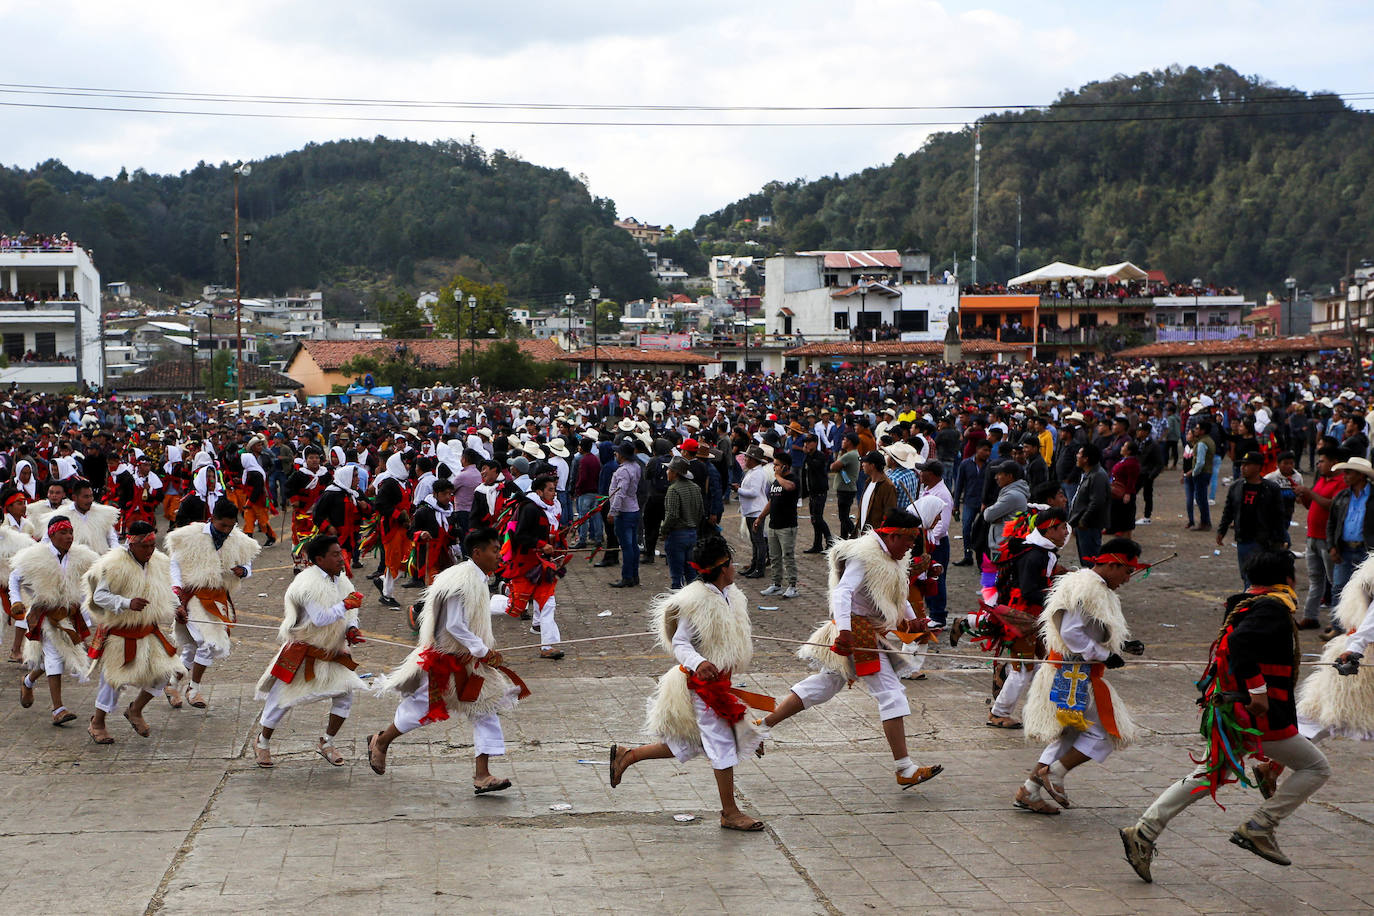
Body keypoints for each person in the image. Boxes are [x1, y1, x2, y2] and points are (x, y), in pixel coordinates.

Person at [1121, 549, 1329, 880]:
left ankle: (1143, 832)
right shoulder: (1272, 608)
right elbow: (1241, 646)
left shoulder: (1247, 605)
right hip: (1260, 714)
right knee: (1316, 767)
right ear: (1287, 579)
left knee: (1209, 774)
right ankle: (1261, 825)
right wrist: (1259, 692)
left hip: (1236, 710)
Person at [762, 508, 943, 789]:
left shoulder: (896, 556)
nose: (911, 546)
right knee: (891, 694)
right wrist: (845, 631)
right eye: (908, 540)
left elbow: (898, 591)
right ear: (893, 535)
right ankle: (904, 768)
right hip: (856, 633)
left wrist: (913, 622)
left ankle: (762, 726)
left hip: (866, 632)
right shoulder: (864, 554)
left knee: (826, 683)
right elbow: (842, 592)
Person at [609, 534, 768, 831]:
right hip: (703, 688)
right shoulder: (697, 603)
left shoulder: (729, 595)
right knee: (720, 745)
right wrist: (699, 662)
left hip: (720, 684)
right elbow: (680, 643)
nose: (735, 570)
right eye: (732, 564)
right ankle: (730, 812)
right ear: (724, 568)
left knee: (689, 744)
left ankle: (627, 755)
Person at [369, 527, 527, 791]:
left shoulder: (475, 578)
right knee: (422, 709)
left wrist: (504, 607)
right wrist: (483, 651)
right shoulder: (462, 581)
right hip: (447, 662)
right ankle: (382, 741)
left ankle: (482, 775)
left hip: (469, 663)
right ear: (477, 553)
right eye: (494, 550)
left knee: (485, 710)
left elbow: (472, 616)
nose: (499, 555)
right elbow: (455, 625)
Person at [1016, 539, 1146, 815]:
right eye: (1127, 571)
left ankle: (1028, 790)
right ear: (1113, 565)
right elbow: (1071, 633)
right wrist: (1102, 654)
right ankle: (1056, 772)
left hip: (1075, 673)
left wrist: (1121, 645)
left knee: (1069, 735)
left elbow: (1091, 630)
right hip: (1071, 675)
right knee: (1106, 732)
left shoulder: (1096, 587)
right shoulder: (1086, 587)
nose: (1127, 579)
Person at [253, 535, 367, 768]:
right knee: (280, 701)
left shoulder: (342, 580)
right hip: (303, 651)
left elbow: (350, 612)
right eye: (335, 555)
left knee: (345, 694)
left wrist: (352, 628)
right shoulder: (306, 584)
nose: (340, 558)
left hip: (331, 652)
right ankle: (262, 743)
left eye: (340, 553)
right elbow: (321, 618)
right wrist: (346, 605)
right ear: (319, 559)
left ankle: (327, 742)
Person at [84, 521, 184, 744]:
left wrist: (178, 608)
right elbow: (98, 597)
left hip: (148, 629)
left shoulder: (158, 561)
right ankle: (97, 723)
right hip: (121, 632)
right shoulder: (113, 564)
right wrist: (126, 603)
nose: (149, 551)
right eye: (144, 546)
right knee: (113, 681)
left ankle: (136, 710)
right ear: (132, 543)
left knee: (165, 673)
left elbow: (166, 588)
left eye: (151, 545)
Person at [166, 498, 261, 710]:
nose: (226, 530)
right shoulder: (189, 536)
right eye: (222, 526)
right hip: (192, 595)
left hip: (218, 598)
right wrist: (176, 592)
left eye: (231, 526)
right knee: (207, 641)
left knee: (192, 646)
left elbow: (247, 562)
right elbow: (175, 565)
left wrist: (243, 571)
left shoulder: (239, 540)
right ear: (212, 519)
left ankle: (172, 684)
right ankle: (194, 688)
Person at [12, 516, 100, 726]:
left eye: (71, 532)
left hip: (69, 614)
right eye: (63, 533)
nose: (69, 537)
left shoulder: (82, 557)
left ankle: (28, 681)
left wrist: (87, 620)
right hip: (44, 613)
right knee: (53, 656)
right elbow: (15, 577)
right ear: (51, 534)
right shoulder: (34, 557)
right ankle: (58, 709)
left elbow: (85, 590)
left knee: (55, 657)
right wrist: (16, 601)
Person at [505, 474, 565, 660]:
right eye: (550, 489)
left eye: (554, 489)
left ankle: (547, 646)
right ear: (539, 492)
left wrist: (552, 541)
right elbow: (520, 535)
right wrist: (541, 544)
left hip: (541, 566)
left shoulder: (546, 509)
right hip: (526, 565)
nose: (554, 493)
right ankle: (482, 604)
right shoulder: (530, 509)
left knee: (548, 603)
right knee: (514, 605)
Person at [1216, 451, 1286, 588]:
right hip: (1243, 538)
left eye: (1247, 465)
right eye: (1242, 465)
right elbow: (1228, 510)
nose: (1243, 468)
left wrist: (1280, 539)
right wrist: (1221, 530)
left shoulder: (1270, 489)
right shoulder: (1236, 487)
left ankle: (1250, 600)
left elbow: (1279, 516)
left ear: (1258, 467)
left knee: (1257, 576)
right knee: (1245, 574)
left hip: (1262, 540)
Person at [1296, 447, 1346, 633]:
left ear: (1333, 463)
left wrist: (1310, 494)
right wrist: (1305, 498)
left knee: (1335, 582)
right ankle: (1310, 616)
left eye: (1322, 461)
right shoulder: (1322, 480)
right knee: (1316, 579)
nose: (1319, 464)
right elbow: (1314, 504)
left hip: (1327, 540)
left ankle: (1336, 621)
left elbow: (1332, 505)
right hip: (1313, 537)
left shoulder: (1341, 482)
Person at [1326, 456, 1374, 609]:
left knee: (1366, 590)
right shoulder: (1342, 496)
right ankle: (1337, 626)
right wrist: (1332, 546)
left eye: (1348, 472)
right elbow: (1331, 523)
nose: (1344, 476)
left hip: (1367, 551)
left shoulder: (1372, 497)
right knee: (1339, 588)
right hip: (1344, 548)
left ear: (1360, 475)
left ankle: (1359, 627)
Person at [371, 453, 412, 609]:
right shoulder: (389, 483)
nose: (408, 466)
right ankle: (387, 594)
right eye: (404, 463)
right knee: (393, 560)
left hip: (404, 527)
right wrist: (398, 515)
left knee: (405, 560)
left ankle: (382, 581)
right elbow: (380, 505)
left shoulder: (405, 482)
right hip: (391, 527)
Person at [756, 453, 799, 599]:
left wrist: (778, 476)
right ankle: (776, 584)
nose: (774, 467)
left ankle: (792, 586)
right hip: (774, 525)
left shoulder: (792, 479)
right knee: (774, 557)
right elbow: (771, 501)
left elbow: (790, 487)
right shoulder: (776, 483)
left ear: (785, 466)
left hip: (787, 526)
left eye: (777, 465)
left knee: (788, 556)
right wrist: (761, 517)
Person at [916, 460, 953, 625]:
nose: (920, 474)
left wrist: (928, 541)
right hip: (928, 541)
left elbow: (942, 524)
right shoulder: (928, 490)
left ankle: (938, 616)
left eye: (922, 471)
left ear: (930, 474)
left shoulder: (942, 494)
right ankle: (932, 612)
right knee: (928, 577)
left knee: (937, 577)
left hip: (936, 544)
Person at [0, 488, 35, 662]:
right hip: (4, 577)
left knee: (26, 611)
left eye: (24, 503)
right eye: (19, 503)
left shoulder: (28, 526)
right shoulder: (3, 525)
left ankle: (16, 649)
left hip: (23, 575)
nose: (23, 506)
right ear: (9, 506)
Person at [661, 456, 704, 590]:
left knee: (677, 576)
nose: (667, 472)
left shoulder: (673, 489)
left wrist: (663, 530)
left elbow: (672, 515)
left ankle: (678, 604)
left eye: (668, 470)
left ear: (674, 472)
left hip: (677, 535)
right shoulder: (695, 488)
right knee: (691, 573)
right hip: (692, 534)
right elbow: (701, 512)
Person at [48, 478, 119, 554]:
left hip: (100, 560)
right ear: (74, 498)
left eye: (91, 496)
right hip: (73, 561)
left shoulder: (102, 514)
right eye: (86, 497)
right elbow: (48, 540)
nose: (90, 500)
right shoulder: (61, 515)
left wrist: (114, 554)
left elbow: (112, 538)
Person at [606, 441, 642, 588]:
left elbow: (620, 493)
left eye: (617, 452)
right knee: (633, 545)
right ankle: (634, 575)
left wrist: (613, 511)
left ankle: (627, 577)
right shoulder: (636, 467)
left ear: (621, 455)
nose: (615, 454)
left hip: (624, 511)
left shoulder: (623, 471)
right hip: (633, 508)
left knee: (627, 547)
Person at [409, 478, 457, 587]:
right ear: (435, 494)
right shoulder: (423, 511)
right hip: (428, 556)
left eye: (450, 494)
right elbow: (411, 532)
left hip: (445, 556)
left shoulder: (450, 511)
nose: (448, 497)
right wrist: (421, 534)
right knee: (433, 588)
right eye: (444, 494)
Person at [1067, 444, 1109, 564]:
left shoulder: (1098, 475)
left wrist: (1083, 521)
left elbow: (1097, 502)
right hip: (1083, 524)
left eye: (1079, 454)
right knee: (1085, 558)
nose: (1077, 456)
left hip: (1089, 525)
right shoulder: (1088, 473)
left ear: (1086, 458)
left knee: (1091, 559)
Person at [952, 440, 991, 565]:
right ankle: (967, 555)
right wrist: (956, 505)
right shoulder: (965, 464)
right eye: (985, 450)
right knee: (966, 528)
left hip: (985, 504)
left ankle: (983, 558)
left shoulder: (991, 465)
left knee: (983, 531)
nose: (987, 453)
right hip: (969, 501)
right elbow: (959, 485)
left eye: (989, 451)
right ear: (977, 449)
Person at [736, 445, 771, 577]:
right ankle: (754, 565)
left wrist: (738, 490)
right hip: (751, 510)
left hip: (756, 510)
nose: (745, 459)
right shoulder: (752, 471)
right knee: (755, 541)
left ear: (753, 459)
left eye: (747, 457)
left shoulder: (757, 473)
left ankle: (759, 568)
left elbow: (753, 492)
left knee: (758, 541)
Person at [239, 436, 278, 547]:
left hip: (258, 501)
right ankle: (249, 540)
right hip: (251, 499)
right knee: (249, 520)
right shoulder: (249, 471)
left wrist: (249, 502)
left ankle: (271, 537)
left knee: (262, 521)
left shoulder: (256, 473)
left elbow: (257, 490)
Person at [800, 435, 832, 553]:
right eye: (805, 443)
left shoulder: (820, 456)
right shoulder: (808, 457)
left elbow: (815, 466)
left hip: (820, 491)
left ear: (814, 443)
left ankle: (830, 540)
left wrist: (807, 454)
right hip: (812, 492)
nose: (806, 445)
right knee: (814, 519)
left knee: (818, 518)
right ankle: (817, 544)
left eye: (809, 442)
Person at [1182, 424, 1214, 531]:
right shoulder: (1209, 440)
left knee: (1201, 499)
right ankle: (1205, 522)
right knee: (1202, 498)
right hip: (1206, 472)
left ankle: (1205, 522)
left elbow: (1200, 462)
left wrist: (1194, 472)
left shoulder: (1201, 443)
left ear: (1202, 431)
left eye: (1197, 428)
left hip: (1201, 474)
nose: (1195, 430)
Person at [830, 433, 861, 541]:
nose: (843, 441)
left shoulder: (850, 455)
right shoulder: (851, 454)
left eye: (845, 439)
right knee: (844, 515)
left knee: (843, 517)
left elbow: (833, 466)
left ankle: (855, 537)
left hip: (846, 490)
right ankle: (843, 537)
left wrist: (839, 459)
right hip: (847, 489)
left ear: (850, 442)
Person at [857, 450, 896, 534]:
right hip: (864, 534)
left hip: (875, 536)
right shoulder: (868, 482)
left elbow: (889, 516)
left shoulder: (888, 487)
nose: (862, 464)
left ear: (872, 465)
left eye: (865, 462)